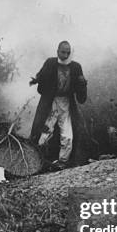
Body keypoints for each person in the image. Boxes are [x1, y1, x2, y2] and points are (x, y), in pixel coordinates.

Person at [29, 41, 88, 169]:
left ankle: (63, 162)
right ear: (57, 51)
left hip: (66, 103)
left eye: (68, 52)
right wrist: (37, 80)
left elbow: (81, 95)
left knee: (67, 135)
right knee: (44, 132)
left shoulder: (76, 67)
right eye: (63, 52)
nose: (65, 55)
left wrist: (82, 84)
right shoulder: (50, 63)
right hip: (50, 102)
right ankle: (37, 161)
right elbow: (42, 80)